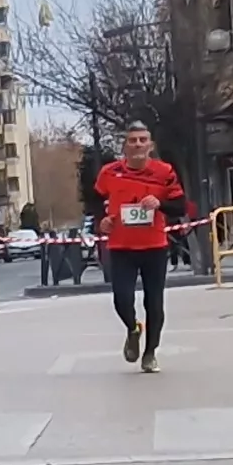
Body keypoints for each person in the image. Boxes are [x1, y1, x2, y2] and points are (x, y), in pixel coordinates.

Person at [88, 126, 191, 372]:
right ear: (124, 146)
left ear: (150, 146)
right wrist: (100, 220)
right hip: (121, 246)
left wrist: (160, 203)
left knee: (154, 303)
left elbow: (180, 207)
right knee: (122, 299)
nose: (137, 144)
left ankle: (150, 353)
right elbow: (93, 201)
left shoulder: (163, 172)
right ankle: (133, 328)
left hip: (154, 246)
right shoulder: (109, 172)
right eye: (132, 140)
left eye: (142, 140)